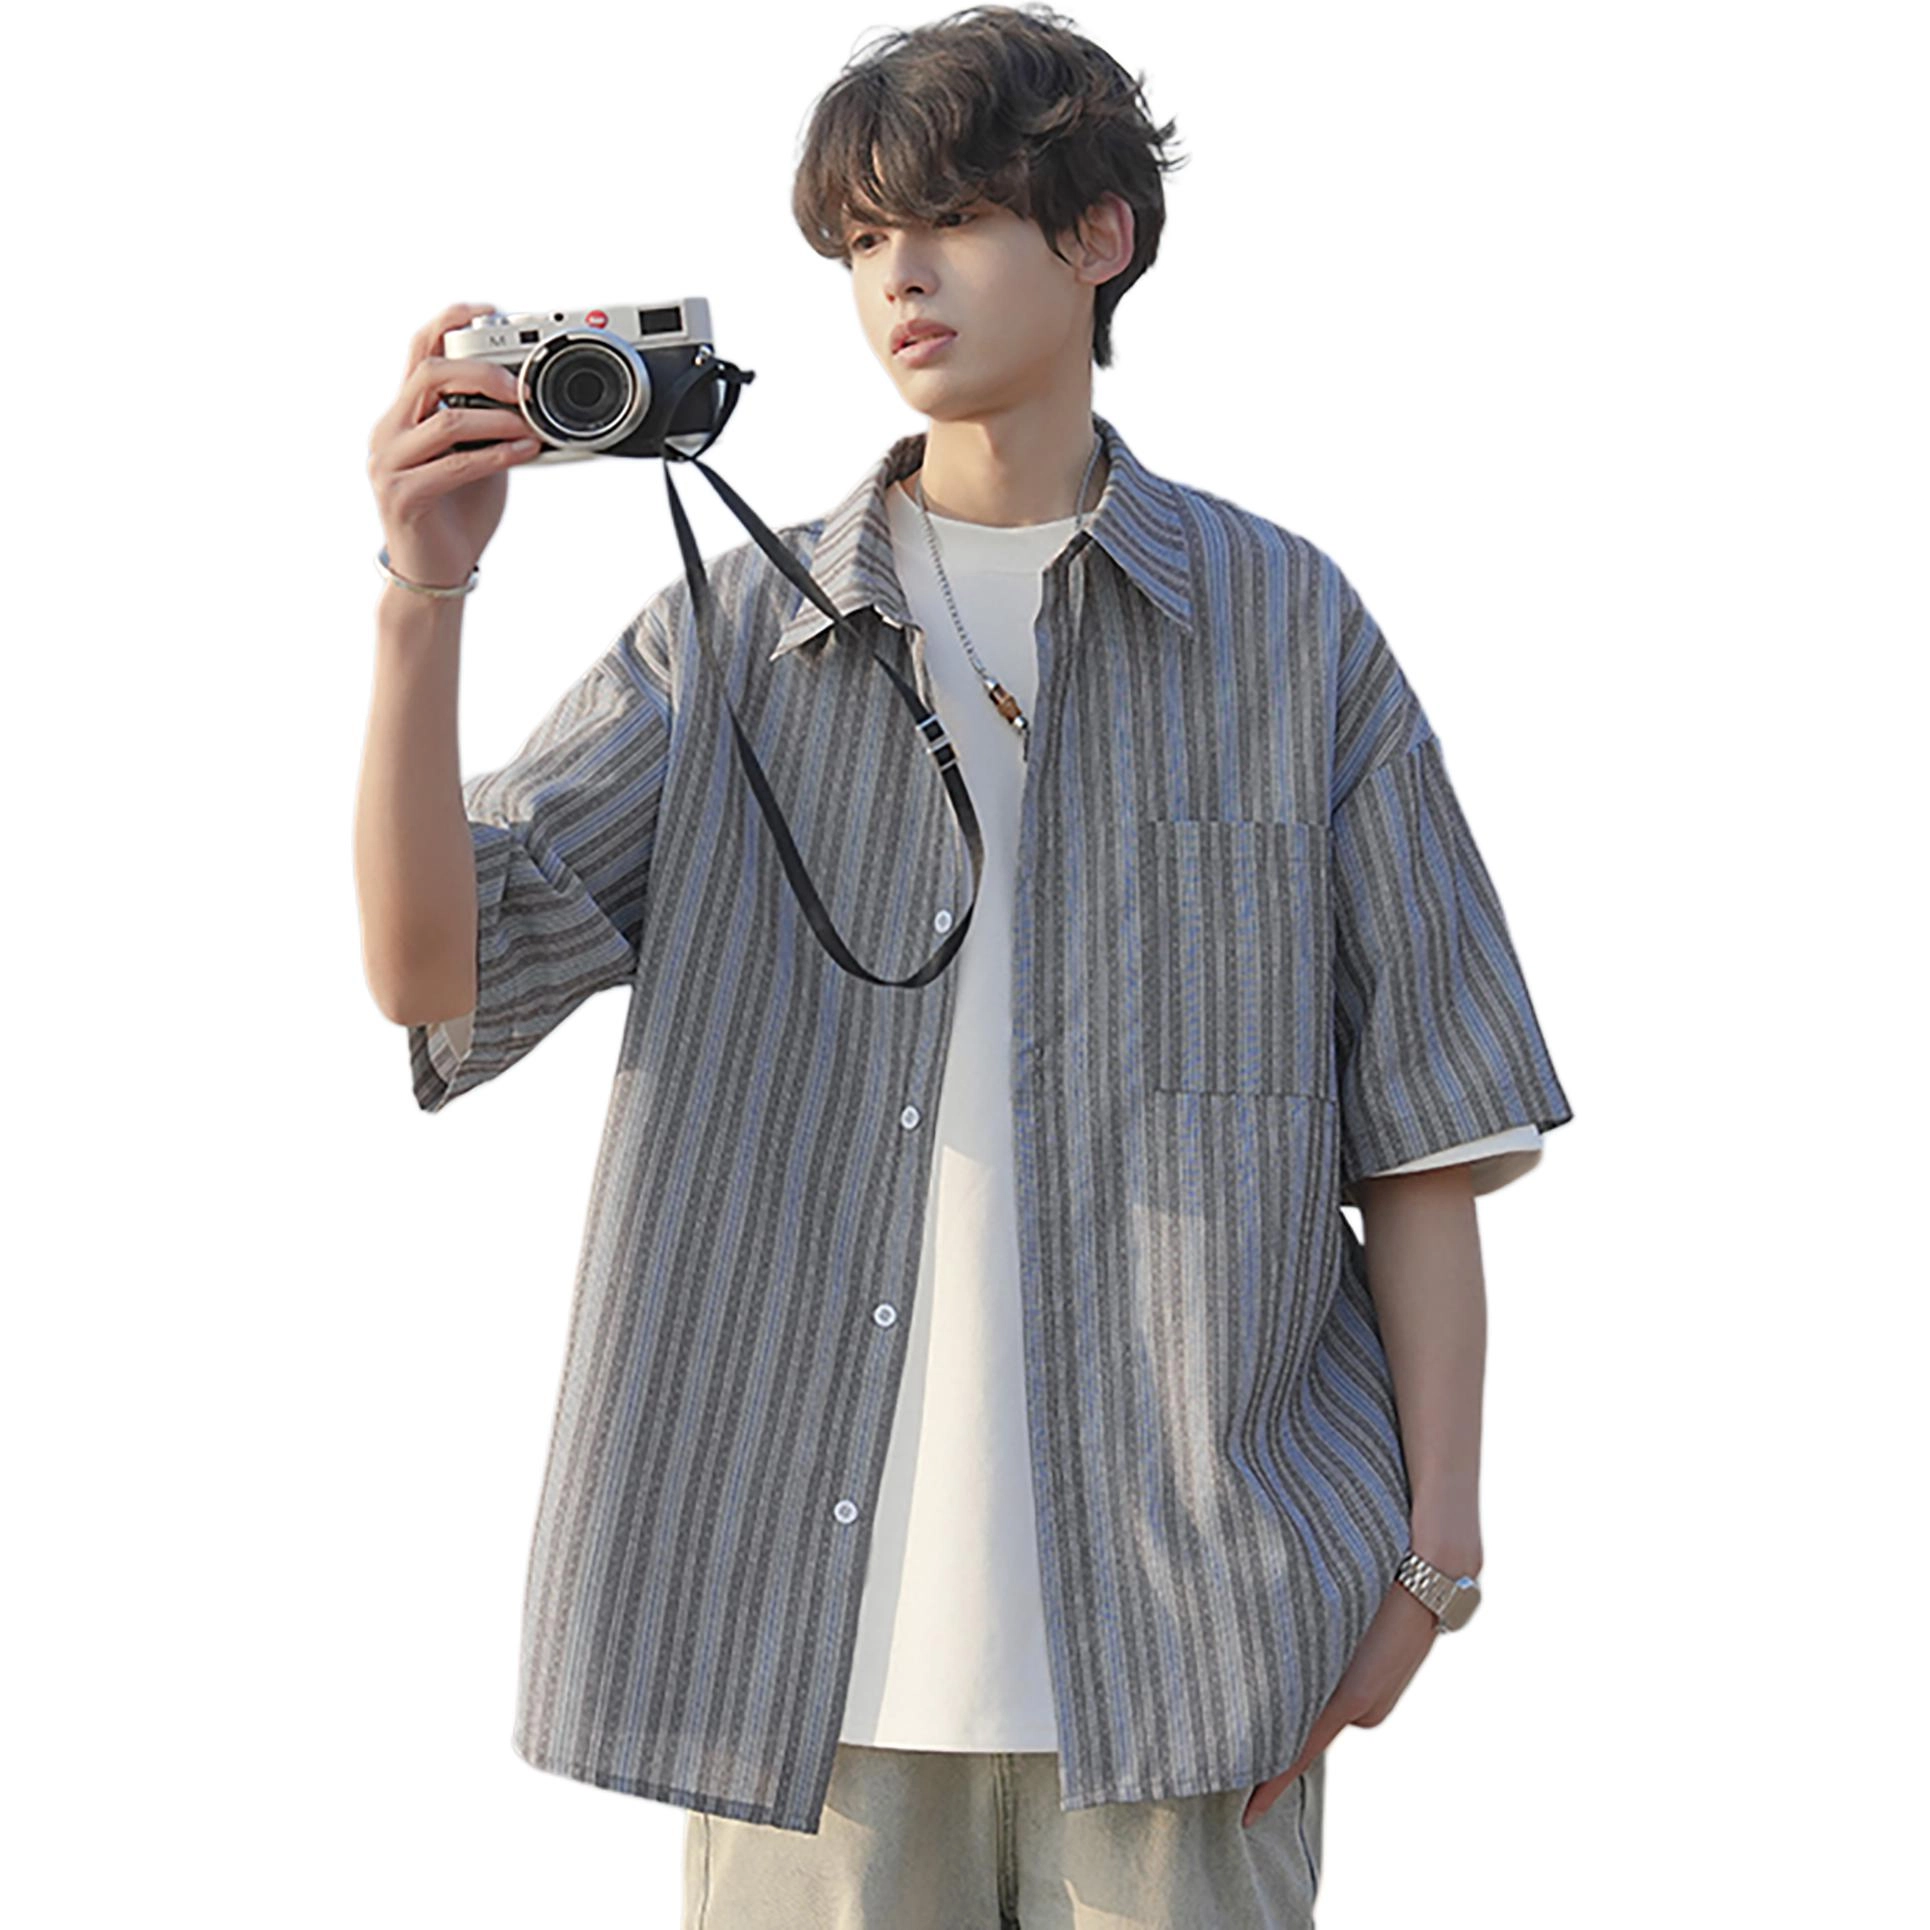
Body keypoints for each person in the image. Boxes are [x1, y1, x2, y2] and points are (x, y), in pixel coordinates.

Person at [356, 8, 1573, 1925]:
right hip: (802, 1683)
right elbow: (437, 974)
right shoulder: (733, 638)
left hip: (1197, 1658)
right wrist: (424, 593)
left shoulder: (1285, 629)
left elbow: (1421, 1126)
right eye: (859, 240)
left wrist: (1436, 1557)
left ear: (1098, 235)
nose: (897, 277)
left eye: (951, 219)